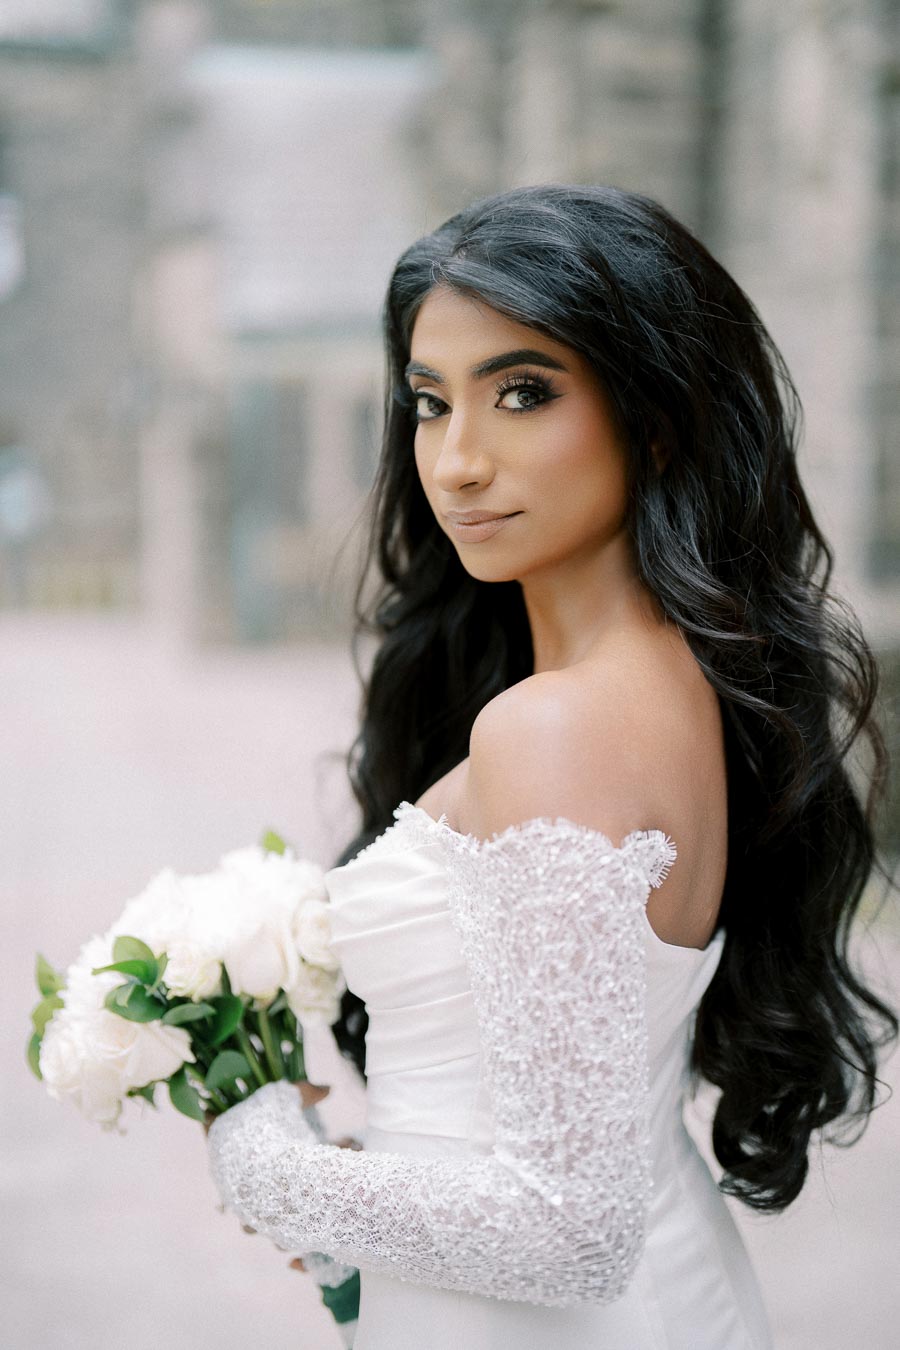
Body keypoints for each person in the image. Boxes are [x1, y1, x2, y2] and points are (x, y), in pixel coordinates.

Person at [206, 184, 897, 1349]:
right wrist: (360, 1195)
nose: (458, 461)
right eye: (430, 403)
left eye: (523, 393)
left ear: (656, 420)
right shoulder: (667, 683)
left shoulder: (558, 728)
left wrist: (259, 1151)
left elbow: (567, 1230)